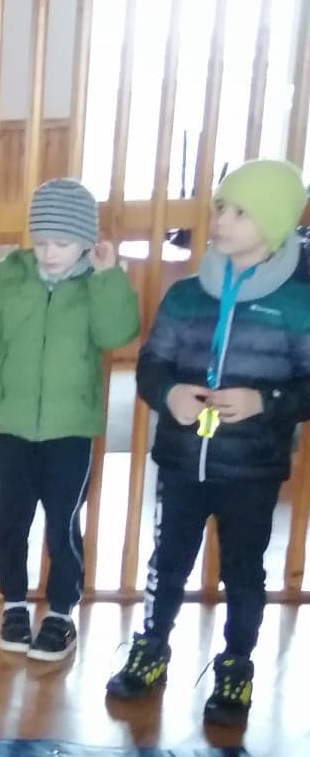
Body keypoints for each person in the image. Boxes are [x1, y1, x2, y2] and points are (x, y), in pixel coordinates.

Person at [106, 158, 310, 726]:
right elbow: (152, 363)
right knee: (167, 563)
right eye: (221, 207)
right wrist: (168, 393)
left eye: (240, 212)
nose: (221, 220)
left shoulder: (298, 306)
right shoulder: (186, 296)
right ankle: (151, 648)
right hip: (180, 463)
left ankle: (236, 665)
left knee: (243, 571)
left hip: (253, 470)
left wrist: (263, 401)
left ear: (273, 225)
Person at [0, 177, 140, 665]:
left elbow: (118, 333)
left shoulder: (94, 285)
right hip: (13, 428)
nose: (49, 252)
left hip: (69, 431)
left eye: (61, 242)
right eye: (41, 242)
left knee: (63, 525)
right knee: (10, 523)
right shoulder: (7, 286)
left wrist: (108, 276)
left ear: (85, 241)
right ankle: (14, 604)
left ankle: (61, 612)